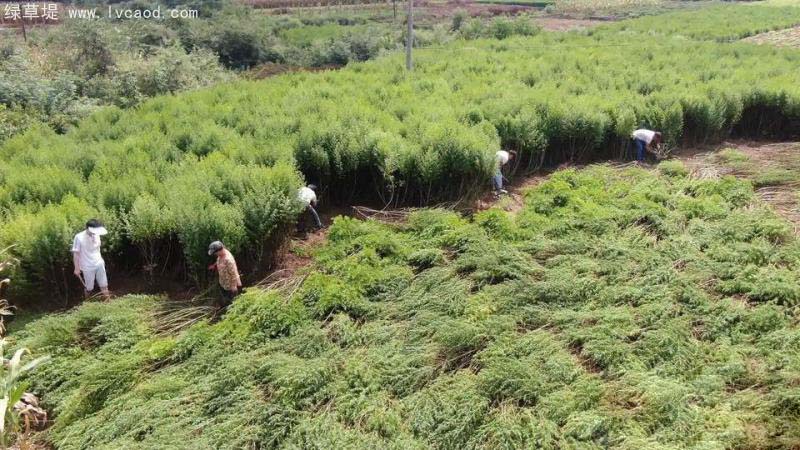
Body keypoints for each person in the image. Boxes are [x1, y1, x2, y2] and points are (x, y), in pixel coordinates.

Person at [71, 219, 110, 301]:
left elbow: (97, 249)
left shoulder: (97, 234)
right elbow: (76, 253)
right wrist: (77, 268)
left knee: (104, 284)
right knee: (89, 288)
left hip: (99, 263)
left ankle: (108, 301)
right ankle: (87, 302)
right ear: (88, 228)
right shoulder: (79, 237)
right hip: (87, 266)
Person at [207, 241, 242, 312]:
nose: (215, 254)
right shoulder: (221, 255)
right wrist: (214, 265)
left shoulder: (228, 260)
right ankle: (225, 307)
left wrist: (234, 286)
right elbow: (219, 260)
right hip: (223, 283)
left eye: (215, 253)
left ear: (220, 250)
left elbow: (234, 274)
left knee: (232, 302)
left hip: (230, 286)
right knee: (225, 297)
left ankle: (231, 313)